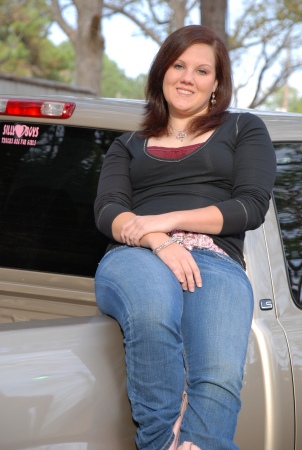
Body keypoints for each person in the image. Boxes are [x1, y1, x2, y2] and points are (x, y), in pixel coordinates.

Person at [94, 25, 276, 450]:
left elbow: (250, 206)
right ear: (162, 72)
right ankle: (160, 443)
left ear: (217, 84)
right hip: (135, 254)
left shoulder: (243, 129)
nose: (187, 78)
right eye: (178, 65)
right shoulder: (127, 145)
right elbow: (108, 211)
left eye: (202, 70)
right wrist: (158, 239)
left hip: (215, 261)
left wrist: (170, 219)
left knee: (218, 374)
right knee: (153, 311)